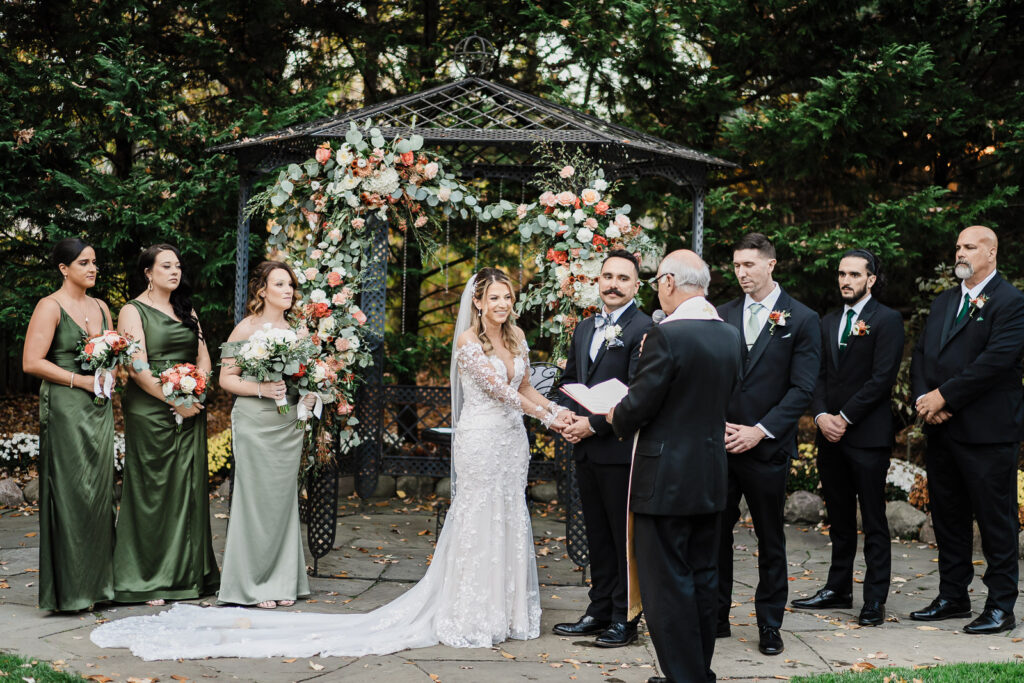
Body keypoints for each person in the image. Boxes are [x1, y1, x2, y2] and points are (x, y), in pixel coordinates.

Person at [92, 266, 572, 659]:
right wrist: (554, 420)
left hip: (511, 442)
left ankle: (505, 610)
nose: (502, 304)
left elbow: (525, 388)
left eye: (508, 297)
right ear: (479, 300)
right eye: (494, 297)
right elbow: (500, 392)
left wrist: (558, 411)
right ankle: (470, 611)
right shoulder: (468, 342)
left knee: (509, 515)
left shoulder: (517, 339)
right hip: (482, 437)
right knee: (477, 517)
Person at [608, 249, 742, 683]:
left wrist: (614, 414)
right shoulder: (730, 334)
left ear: (668, 282)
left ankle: (685, 678)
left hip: (664, 481)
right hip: (709, 475)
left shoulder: (667, 335)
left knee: (666, 588)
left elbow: (641, 404)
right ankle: (696, 671)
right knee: (703, 579)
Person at [909, 225, 1024, 634]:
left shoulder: (1011, 302)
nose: (961, 253)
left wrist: (945, 397)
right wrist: (925, 400)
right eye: (958, 246)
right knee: (948, 518)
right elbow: (922, 354)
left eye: (970, 247)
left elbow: (994, 362)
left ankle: (1000, 605)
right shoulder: (944, 302)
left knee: (996, 521)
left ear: (991, 252)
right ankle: (953, 595)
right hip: (942, 431)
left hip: (988, 434)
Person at [716, 232, 820, 656]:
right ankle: (715, 615)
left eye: (749, 265)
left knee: (770, 538)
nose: (741, 273)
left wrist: (759, 430)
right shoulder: (720, 315)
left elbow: (803, 389)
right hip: (722, 445)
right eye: (737, 265)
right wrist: (718, 425)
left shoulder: (802, 318)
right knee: (714, 535)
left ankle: (770, 624)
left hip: (767, 448)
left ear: (770, 265)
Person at [791, 249, 903, 626]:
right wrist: (822, 416)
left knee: (873, 519)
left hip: (867, 436)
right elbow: (816, 374)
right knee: (838, 518)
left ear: (871, 279)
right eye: (842, 274)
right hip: (830, 436)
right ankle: (838, 588)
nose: (846, 281)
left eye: (854, 274)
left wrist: (845, 417)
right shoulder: (827, 322)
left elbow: (881, 379)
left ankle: (874, 599)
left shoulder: (886, 320)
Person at [551, 250, 652, 647]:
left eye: (622, 278)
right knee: (596, 535)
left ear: (636, 285)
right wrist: (565, 418)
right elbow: (572, 377)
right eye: (607, 276)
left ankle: (625, 618)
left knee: (622, 538)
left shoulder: (645, 328)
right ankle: (598, 609)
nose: (613, 284)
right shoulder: (585, 327)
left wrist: (592, 425)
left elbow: (637, 395)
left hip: (621, 450)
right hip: (586, 449)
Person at [112, 244, 220, 606]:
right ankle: (147, 577)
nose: (175, 272)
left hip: (190, 405)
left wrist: (197, 388)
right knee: (153, 488)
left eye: (178, 266)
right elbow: (138, 367)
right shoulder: (132, 310)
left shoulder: (185, 308)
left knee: (187, 488)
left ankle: (188, 574)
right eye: (166, 266)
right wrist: (174, 398)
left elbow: (203, 355)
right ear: (148, 272)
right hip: (150, 408)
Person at [22, 238, 115, 612]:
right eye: (83, 263)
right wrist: (81, 380)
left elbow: (110, 355)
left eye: (94, 262)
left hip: (99, 406)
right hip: (65, 405)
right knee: (72, 492)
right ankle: (72, 591)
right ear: (64, 269)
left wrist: (110, 374)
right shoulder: (50, 306)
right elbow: (31, 362)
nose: (92, 268)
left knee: (100, 493)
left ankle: (100, 586)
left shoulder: (103, 307)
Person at [217, 262, 317, 609]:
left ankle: (282, 580)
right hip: (255, 422)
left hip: (288, 424)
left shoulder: (300, 333)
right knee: (255, 502)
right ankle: (253, 584)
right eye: (279, 284)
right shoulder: (247, 328)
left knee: (282, 502)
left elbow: (306, 381)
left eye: (290, 284)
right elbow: (226, 379)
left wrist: (310, 396)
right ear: (263, 291)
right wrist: (261, 388)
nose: (287, 290)